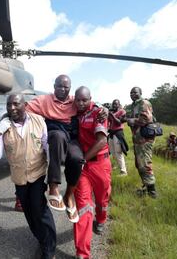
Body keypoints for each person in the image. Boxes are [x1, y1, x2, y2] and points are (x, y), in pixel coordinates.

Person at [25, 74, 106, 221]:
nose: (63, 89)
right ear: (54, 86)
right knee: (57, 136)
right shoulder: (43, 100)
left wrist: (103, 108)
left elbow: (90, 103)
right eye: (59, 86)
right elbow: (23, 109)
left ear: (70, 89)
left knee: (77, 159)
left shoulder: (75, 100)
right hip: (54, 132)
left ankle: (69, 195)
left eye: (66, 87)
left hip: (71, 135)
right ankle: (54, 186)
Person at [0, 94, 56, 258]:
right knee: (29, 213)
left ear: (25, 105)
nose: (12, 108)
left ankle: (49, 248)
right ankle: (41, 238)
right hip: (19, 178)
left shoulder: (39, 120)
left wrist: (53, 176)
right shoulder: (3, 126)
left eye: (16, 104)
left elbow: (46, 145)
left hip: (37, 173)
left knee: (39, 210)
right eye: (9, 104)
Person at [73, 86, 111, 258]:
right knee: (83, 207)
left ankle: (101, 219)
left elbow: (102, 141)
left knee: (102, 199)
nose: (80, 103)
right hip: (83, 169)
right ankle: (82, 253)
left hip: (99, 165)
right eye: (78, 100)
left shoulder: (98, 112)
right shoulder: (73, 111)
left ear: (91, 99)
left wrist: (83, 160)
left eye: (84, 100)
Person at [127, 87, 157, 198]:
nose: (132, 94)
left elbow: (146, 119)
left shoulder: (144, 103)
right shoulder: (134, 105)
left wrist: (132, 121)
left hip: (145, 138)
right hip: (138, 138)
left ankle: (152, 192)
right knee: (139, 164)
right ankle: (146, 186)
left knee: (145, 163)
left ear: (140, 93)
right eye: (131, 92)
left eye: (135, 92)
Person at [107, 99, 128, 176]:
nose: (114, 105)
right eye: (113, 104)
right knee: (112, 151)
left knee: (118, 152)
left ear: (119, 105)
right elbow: (108, 121)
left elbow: (119, 122)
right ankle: (118, 165)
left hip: (118, 133)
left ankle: (123, 171)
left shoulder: (122, 111)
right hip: (111, 133)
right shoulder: (112, 112)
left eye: (116, 104)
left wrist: (112, 115)